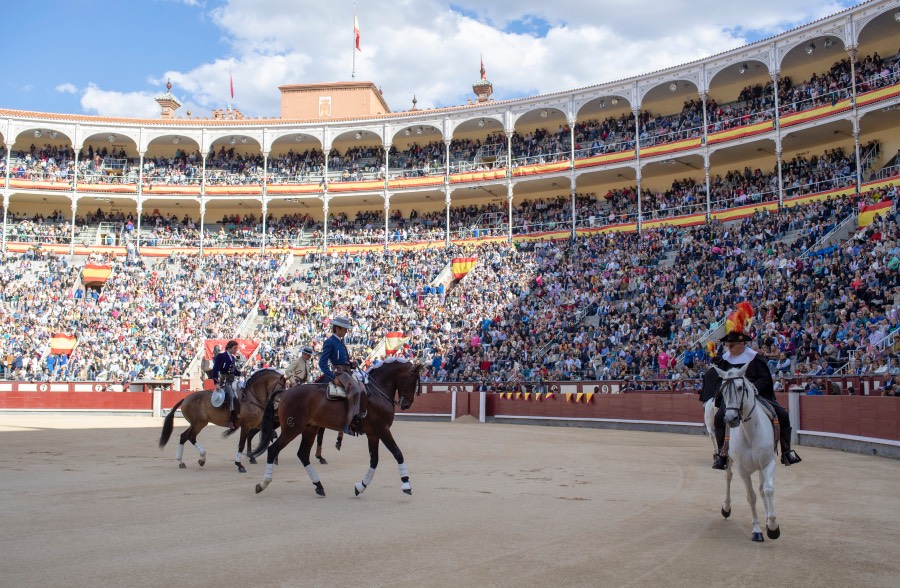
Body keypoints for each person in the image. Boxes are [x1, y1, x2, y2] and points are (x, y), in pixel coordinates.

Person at [700, 302, 801, 470]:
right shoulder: (726, 359)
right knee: (718, 418)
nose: (728, 348)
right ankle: (722, 454)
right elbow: (720, 379)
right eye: (728, 345)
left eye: (731, 345)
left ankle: (786, 451)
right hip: (733, 398)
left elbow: (765, 379)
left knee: (782, 414)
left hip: (757, 395)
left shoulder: (755, 358)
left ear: (742, 344)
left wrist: (752, 389)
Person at [317, 316, 364, 435]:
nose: (346, 331)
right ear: (337, 328)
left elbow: (343, 360)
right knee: (356, 390)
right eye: (345, 329)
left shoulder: (340, 342)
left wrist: (351, 363)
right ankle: (348, 424)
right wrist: (333, 378)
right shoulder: (330, 342)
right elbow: (322, 363)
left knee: (363, 387)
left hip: (347, 372)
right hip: (340, 373)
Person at [211, 340, 242, 431]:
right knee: (231, 396)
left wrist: (241, 373)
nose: (236, 350)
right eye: (235, 348)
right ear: (229, 348)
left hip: (232, 381)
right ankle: (230, 420)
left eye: (236, 348)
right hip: (224, 381)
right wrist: (216, 383)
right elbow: (215, 370)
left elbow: (234, 371)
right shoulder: (221, 356)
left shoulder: (232, 358)